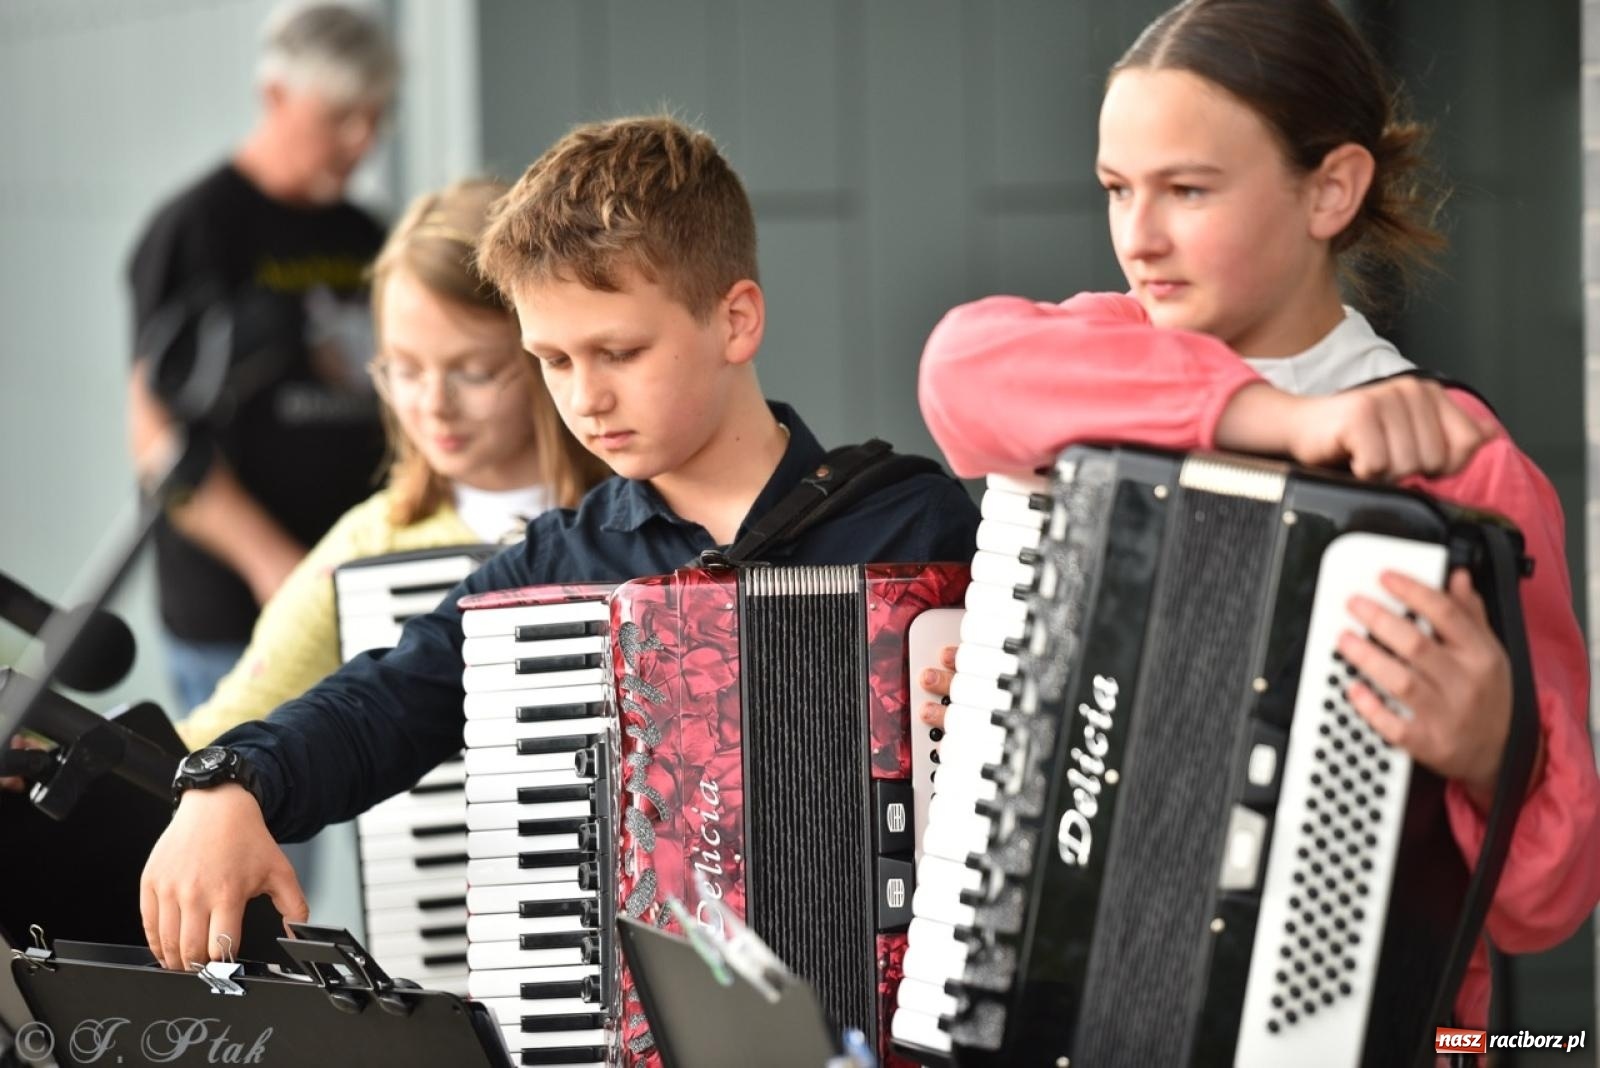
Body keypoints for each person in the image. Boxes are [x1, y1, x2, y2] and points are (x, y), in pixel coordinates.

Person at [139, 115, 982, 969]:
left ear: (736, 321)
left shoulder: (913, 525)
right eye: (553, 360)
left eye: (617, 352)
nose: (586, 399)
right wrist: (233, 779)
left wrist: (984, 716)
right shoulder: (558, 568)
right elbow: (388, 701)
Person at [913, 0, 1600, 1031]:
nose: (1138, 238)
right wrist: (1029, 695)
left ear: (1330, 188)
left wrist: (1497, 750)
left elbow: (1544, 906)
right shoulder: (1102, 363)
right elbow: (958, 369)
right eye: (1115, 190)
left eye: (1187, 190)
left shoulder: (1459, 468)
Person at [175, 179, 611, 751]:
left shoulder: (637, 510)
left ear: (547, 355)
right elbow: (218, 729)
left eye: (473, 372)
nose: (433, 405)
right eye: (403, 370)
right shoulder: (367, 546)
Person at [127, 2, 399, 714]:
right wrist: (270, 563)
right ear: (274, 95)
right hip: (236, 619)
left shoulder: (366, 234)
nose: (362, 139)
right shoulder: (198, 228)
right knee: (256, 823)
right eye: (340, 115)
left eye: (376, 116)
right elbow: (156, 435)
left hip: (362, 597)